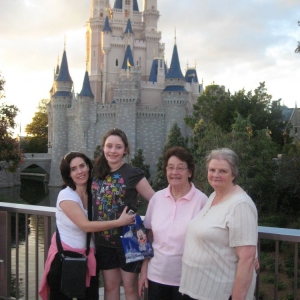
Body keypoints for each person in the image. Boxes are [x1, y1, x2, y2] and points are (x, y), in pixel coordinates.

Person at [39, 151, 135, 300]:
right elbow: (85, 226)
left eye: (82, 166)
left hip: (88, 258)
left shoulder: (93, 193)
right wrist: (119, 222)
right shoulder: (66, 195)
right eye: (73, 169)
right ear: (68, 174)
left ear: (88, 167)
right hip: (65, 260)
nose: (80, 171)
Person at [179, 148, 258, 300]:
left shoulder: (240, 205)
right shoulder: (214, 195)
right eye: (212, 169)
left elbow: (247, 258)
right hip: (197, 289)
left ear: (233, 174)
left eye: (223, 171)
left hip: (219, 293)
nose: (215, 175)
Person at [92, 128, 155, 300]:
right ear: (103, 147)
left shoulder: (132, 173)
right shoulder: (96, 173)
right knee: (110, 288)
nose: (113, 151)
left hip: (131, 238)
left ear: (125, 150)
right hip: (103, 240)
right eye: (109, 146)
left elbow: (156, 200)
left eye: (118, 147)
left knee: (131, 288)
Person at [138, 146, 208, 300]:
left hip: (187, 280)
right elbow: (148, 237)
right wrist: (144, 270)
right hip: (156, 276)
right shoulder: (157, 198)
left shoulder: (202, 201)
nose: (174, 172)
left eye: (180, 168)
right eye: (170, 168)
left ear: (189, 172)